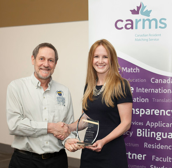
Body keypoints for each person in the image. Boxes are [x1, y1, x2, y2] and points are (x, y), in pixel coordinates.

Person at [6, 42, 79, 168]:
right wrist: (50, 127)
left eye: (51, 60)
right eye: (42, 59)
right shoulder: (17, 87)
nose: (46, 64)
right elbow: (15, 125)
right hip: (24, 161)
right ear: (33, 59)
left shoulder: (64, 91)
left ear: (55, 64)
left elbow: (67, 126)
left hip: (57, 161)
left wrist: (68, 140)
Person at [69, 39, 133, 168]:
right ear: (91, 60)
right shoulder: (89, 86)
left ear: (112, 60)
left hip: (111, 152)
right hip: (89, 151)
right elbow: (86, 119)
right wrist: (67, 127)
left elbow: (126, 123)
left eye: (105, 57)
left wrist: (103, 141)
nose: (100, 61)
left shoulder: (120, 85)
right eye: (96, 56)